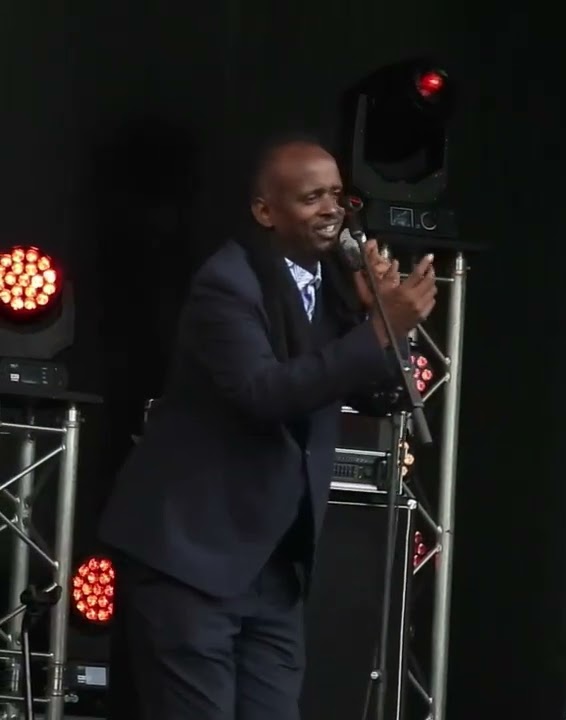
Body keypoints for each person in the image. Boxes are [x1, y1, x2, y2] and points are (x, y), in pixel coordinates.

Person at [97, 135, 438, 720]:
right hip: (192, 556)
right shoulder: (226, 283)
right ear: (265, 211)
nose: (332, 209)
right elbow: (265, 394)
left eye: (338, 195)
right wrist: (378, 332)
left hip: (272, 566)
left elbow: (382, 394)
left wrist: (378, 313)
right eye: (311, 198)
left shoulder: (334, 286)